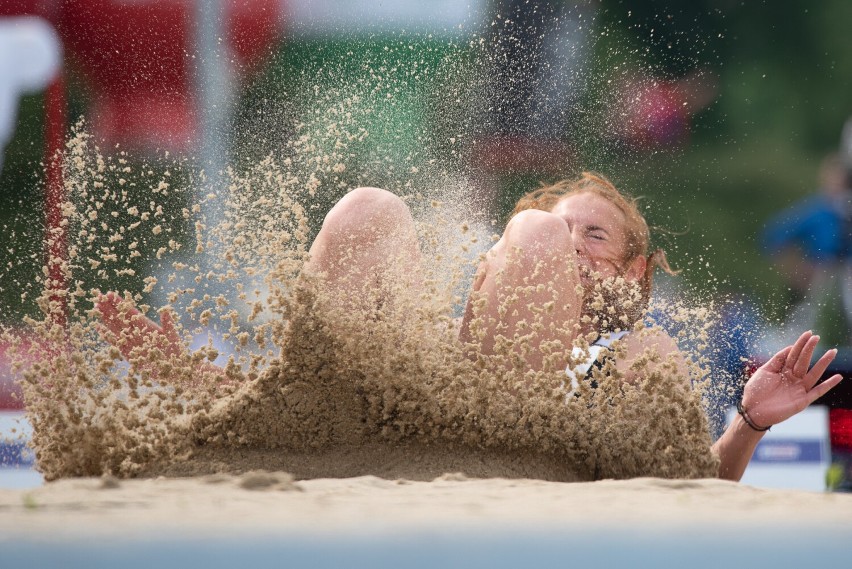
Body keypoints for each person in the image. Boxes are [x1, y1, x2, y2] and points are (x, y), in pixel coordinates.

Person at [96, 172, 844, 482]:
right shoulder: (438, 349)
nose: (572, 250)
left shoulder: (642, 355)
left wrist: (745, 423)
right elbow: (342, 397)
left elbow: (688, 483)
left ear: (634, 274)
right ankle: (232, 419)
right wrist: (205, 386)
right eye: (563, 234)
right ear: (491, 278)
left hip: (520, 462)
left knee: (531, 236)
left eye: (595, 239)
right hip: (396, 443)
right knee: (369, 210)